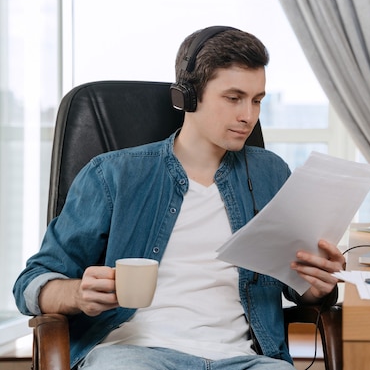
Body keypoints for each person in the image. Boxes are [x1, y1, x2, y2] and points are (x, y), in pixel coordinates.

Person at [13, 26, 345, 370]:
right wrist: (78, 293)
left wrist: (318, 285)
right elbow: (30, 284)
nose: (248, 115)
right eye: (233, 98)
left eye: (257, 100)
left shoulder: (270, 173)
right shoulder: (113, 174)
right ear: (186, 96)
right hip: (136, 355)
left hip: (245, 360)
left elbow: (296, 288)